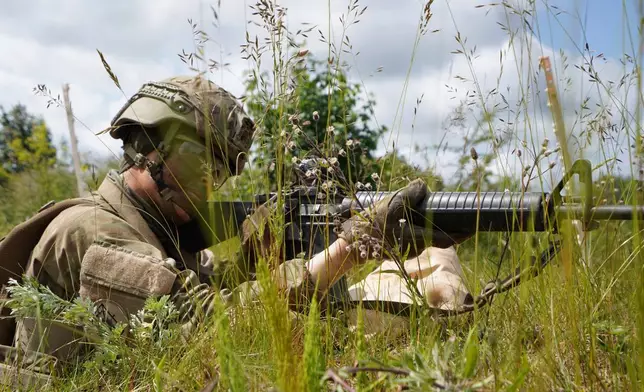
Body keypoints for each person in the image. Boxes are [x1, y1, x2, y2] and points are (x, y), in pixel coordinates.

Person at [0, 75, 465, 388]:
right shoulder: (96, 232)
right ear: (149, 147)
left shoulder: (148, 229)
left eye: (220, 175)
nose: (209, 188)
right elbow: (206, 328)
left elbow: (195, 284)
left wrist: (252, 253)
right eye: (202, 163)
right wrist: (346, 250)